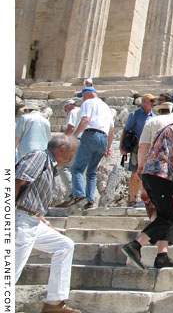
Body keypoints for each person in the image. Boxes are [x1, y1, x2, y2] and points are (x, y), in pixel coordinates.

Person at [122, 104, 173, 270]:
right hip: (160, 175)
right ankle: (136, 245)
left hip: (151, 175)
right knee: (167, 218)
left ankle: (162, 256)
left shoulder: (166, 129)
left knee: (169, 215)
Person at [15, 135, 81, 313]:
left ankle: (54, 304)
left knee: (64, 245)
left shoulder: (50, 166)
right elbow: (18, 181)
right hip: (20, 220)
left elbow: (32, 196)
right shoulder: (40, 157)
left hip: (33, 220)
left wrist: (42, 220)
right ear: (61, 149)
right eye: (71, 153)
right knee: (11, 270)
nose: (71, 158)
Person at [70, 87, 115, 210]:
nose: (82, 99)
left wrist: (74, 137)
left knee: (77, 169)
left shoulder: (88, 103)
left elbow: (85, 120)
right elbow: (112, 130)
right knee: (92, 172)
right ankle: (90, 199)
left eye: (83, 96)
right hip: (104, 139)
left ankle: (79, 196)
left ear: (88, 94)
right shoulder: (106, 107)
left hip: (90, 135)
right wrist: (108, 147)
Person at [121, 94, 156, 207]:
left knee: (145, 173)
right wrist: (122, 147)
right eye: (151, 101)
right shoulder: (135, 115)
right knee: (135, 172)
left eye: (153, 101)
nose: (153, 103)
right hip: (137, 147)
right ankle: (132, 198)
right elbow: (125, 131)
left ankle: (143, 197)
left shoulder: (153, 116)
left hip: (149, 148)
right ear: (144, 101)